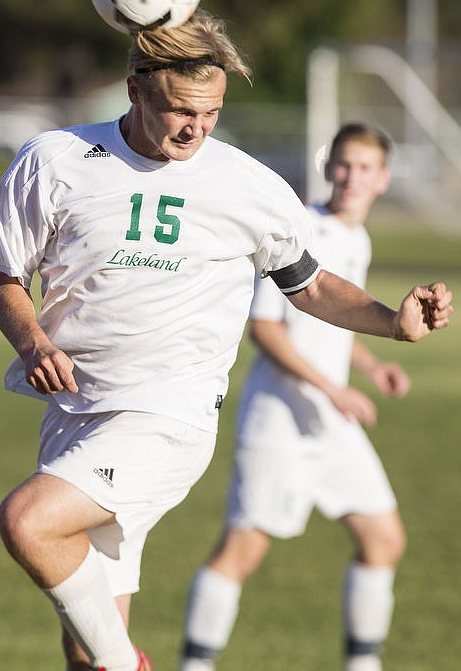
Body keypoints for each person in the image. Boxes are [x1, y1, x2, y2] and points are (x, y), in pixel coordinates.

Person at [0, 8, 453, 671]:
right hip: (75, 415)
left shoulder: (248, 186)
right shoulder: (55, 162)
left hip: (168, 419)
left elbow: (310, 285)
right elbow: (6, 276)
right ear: (135, 90)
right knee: (84, 652)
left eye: (211, 112)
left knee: (27, 523)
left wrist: (392, 322)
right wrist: (33, 342)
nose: (196, 128)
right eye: (180, 109)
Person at [179, 123, 425, 671]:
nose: (350, 177)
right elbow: (267, 331)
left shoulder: (356, 238)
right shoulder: (299, 230)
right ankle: (194, 665)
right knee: (243, 551)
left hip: (328, 419)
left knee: (383, 537)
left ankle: (363, 664)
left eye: (363, 168)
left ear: (382, 179)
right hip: (280, 420)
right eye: (342, 164)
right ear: (326, 167)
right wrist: (335, 389)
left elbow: (328, 326)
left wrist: (369, 364)